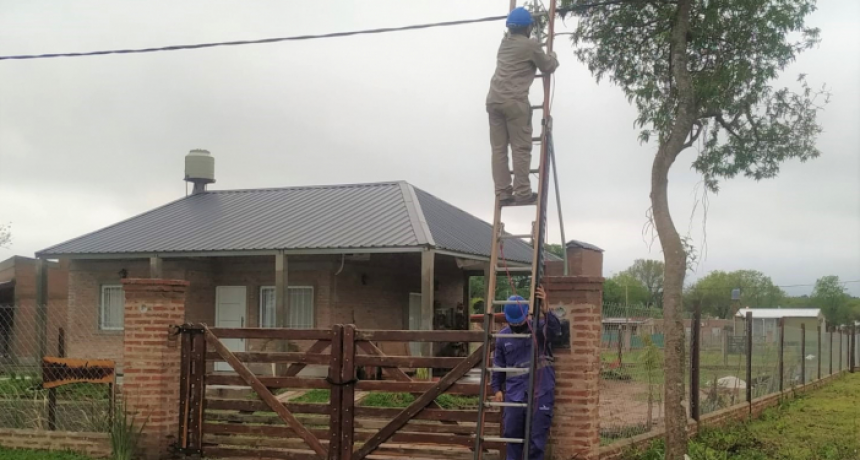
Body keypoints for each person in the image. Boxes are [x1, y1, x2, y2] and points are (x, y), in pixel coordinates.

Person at [486, 7, 560, 205]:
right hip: (514, 102)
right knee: (520, 148)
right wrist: (552, 55)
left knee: (499, 149)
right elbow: (547, 66)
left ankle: (502, 193)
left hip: (494, 100)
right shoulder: (531, 45)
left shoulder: (504, 44)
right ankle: (523, 192)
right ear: (528, 27)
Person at [491, 286, 561, 460]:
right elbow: (498, 364)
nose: (516, 325)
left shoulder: (539, 328)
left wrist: (546, 309)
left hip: (540, 391)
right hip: (514, 394)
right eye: (512, 323)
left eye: (519, 322)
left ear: (527, 316)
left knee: (536, 442)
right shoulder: (503, 337)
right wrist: (496, 388)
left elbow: (555, 333)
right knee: (512, 437)